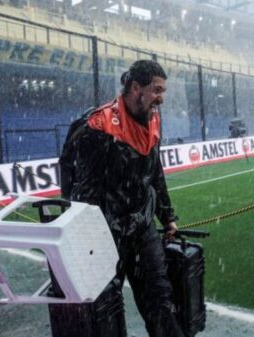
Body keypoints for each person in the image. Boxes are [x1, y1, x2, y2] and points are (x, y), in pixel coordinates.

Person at [59, 60, 184, 337]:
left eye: (163, 91)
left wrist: (167, 217)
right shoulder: (98, 126)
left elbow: (155, 172)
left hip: (142, 228)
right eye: (156, 90)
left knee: (161, 303)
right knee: (106, 314)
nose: (161, 98)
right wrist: (83, 232)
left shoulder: (153, 120)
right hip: (104, 235)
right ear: (136, 87)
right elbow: (80, 189)